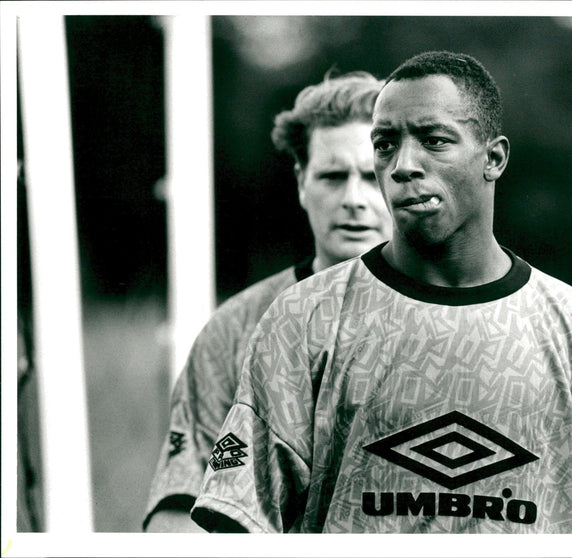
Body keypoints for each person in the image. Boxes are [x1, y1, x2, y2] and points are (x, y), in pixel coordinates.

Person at [190, 51, 572, 533]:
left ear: (494, 157)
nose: (403, 165)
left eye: (433, 140)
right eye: (385, 144)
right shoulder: (305, 316)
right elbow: (240, 520)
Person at [142, 71, 392, 532]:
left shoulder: (474, 323)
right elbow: (177, 514)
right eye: (333, 177)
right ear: (301, 181)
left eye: (372, 178)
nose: (354, 199)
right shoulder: (237, 327)